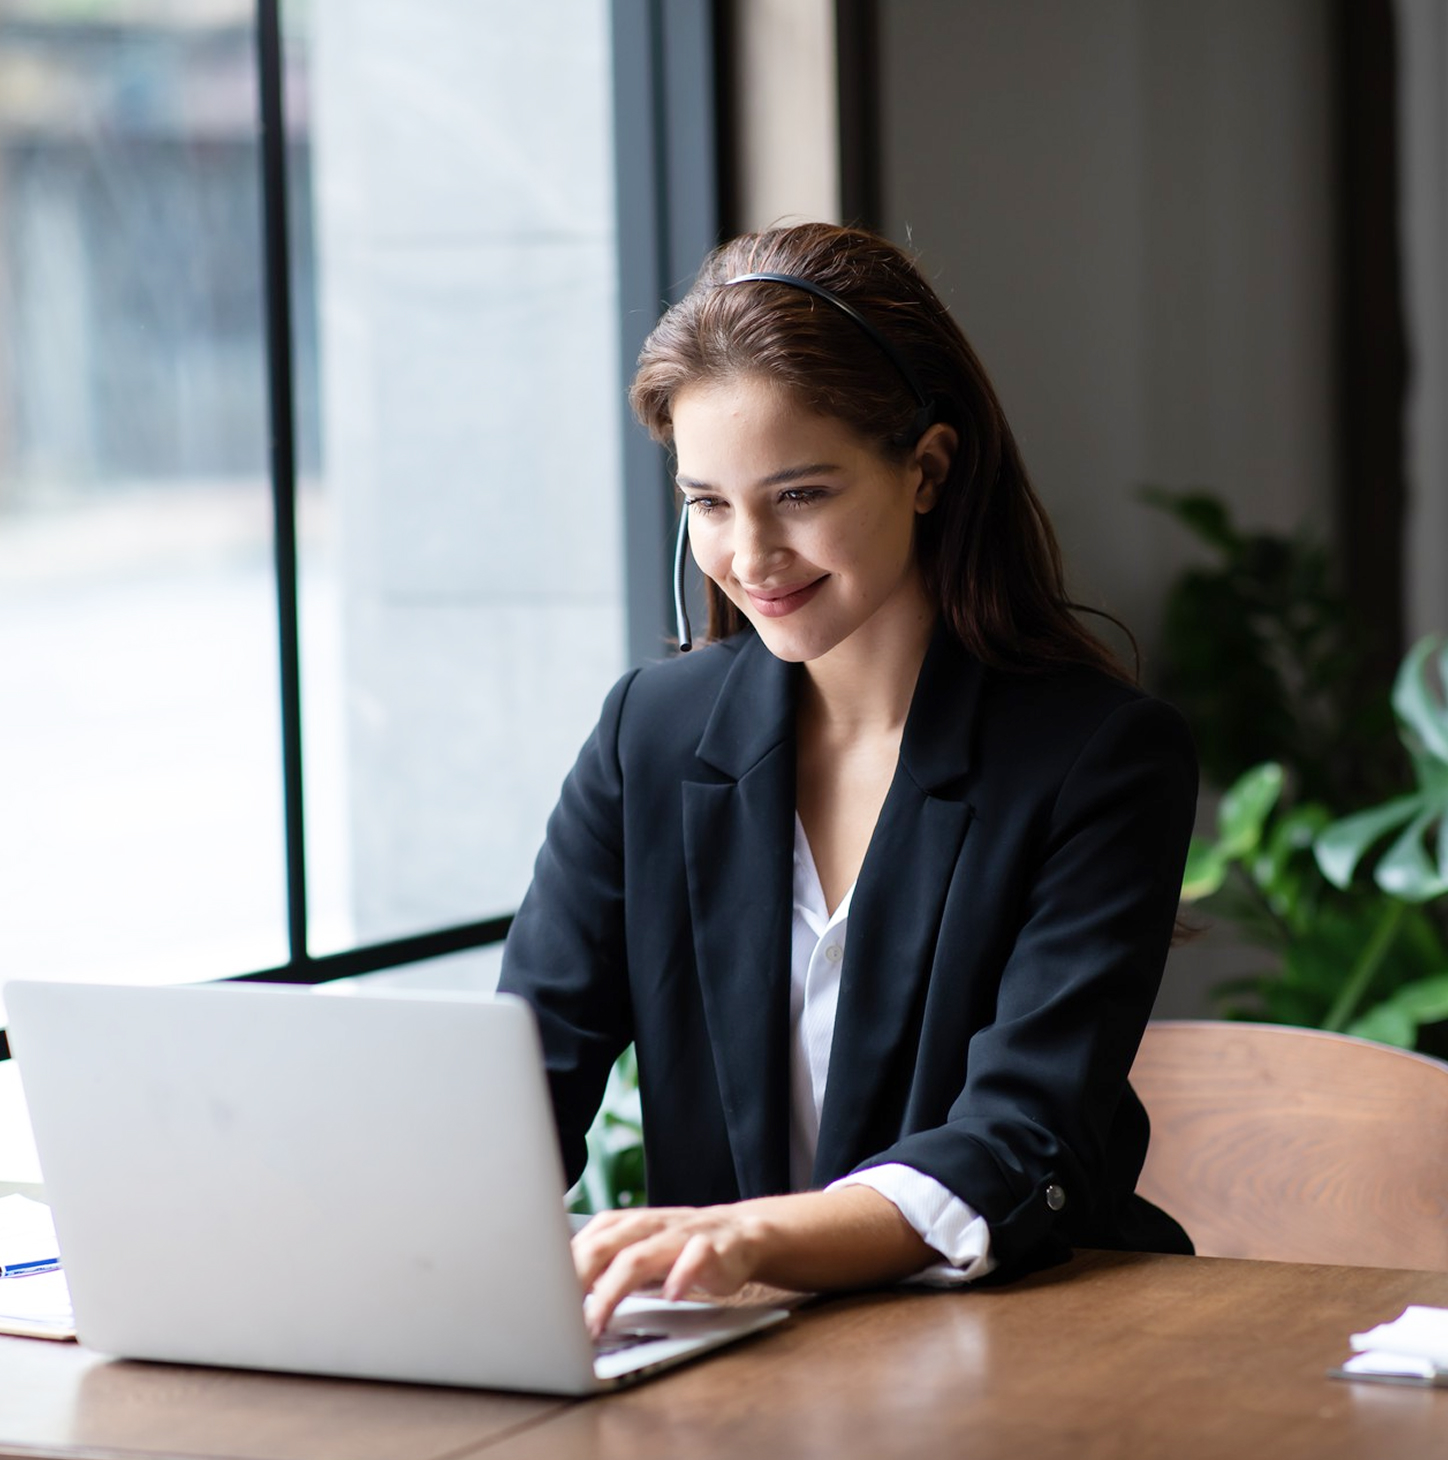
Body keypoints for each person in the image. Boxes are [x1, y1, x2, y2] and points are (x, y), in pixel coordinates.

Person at [497, 223, 1197, 1336]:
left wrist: (749, 1238)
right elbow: (522, 1077)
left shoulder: (1096, 759)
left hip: (1028, 1343)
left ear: (925, 469)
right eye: (708, 503)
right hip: (734, 1353)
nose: (750, 555)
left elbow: (1023, 1136)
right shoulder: (651, 736)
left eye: (800, 495)